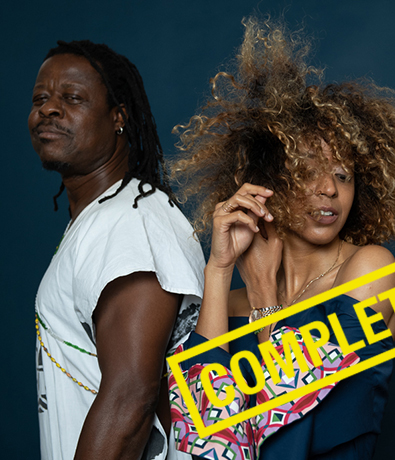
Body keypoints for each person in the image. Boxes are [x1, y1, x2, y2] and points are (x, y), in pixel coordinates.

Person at [167, 18, 395, 459]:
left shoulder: (370, 271)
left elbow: (294, 423)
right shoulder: (228, 303)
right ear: (268, 181)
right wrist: (218, 270)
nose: (328, 189)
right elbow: (203, 438)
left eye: (343, 175)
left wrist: (264, 298)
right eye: (307, 170)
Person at [30, 40, 205, 460]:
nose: (49, 109)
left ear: (119, 117)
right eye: (40, 99)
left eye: (72, 98)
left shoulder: (130, 222)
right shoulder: (104, 217)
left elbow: (131, 398)